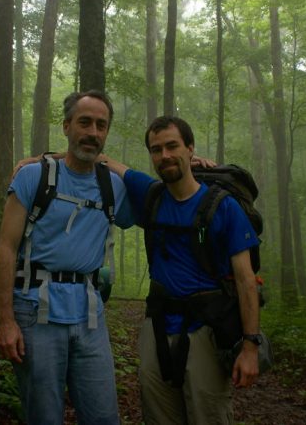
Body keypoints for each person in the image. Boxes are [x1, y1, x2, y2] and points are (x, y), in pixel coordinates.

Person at [100, 115, 261, 425]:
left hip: (207, 330)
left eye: (173, 146)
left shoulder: (223, 206)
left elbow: (246, 280)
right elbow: (101, 159)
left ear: (191, 150)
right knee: (158, 416)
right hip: (157, 327)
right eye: (156, 149)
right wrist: (37, 160)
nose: (165, 156)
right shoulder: (152, 195)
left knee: (208, 415)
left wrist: (251, 347)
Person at [0, 90, 133, 425]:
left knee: (103, 416)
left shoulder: (113, 186)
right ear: (66, 126)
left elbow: (164, 197)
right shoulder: (32, 177)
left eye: (101, 125)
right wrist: (5, 321)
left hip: (89, 315)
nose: (93, 132)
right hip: (33, 311)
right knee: (43, 416)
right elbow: (6, 249)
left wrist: (195, 164)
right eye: (84, 122)